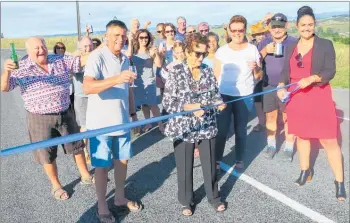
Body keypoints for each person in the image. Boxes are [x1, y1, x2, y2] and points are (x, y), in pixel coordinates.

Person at [1, 37, 94, 201]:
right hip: (39, 118)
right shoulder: (21, 67)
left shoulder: (59, 60)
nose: (41, 50)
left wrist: (102, 48)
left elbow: (80, 61)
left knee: (77, 146)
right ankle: (56, 185)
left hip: (66, 112)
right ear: (28, 52)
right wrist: (7, 71)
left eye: (42, 46)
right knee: (46, 154)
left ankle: (85, 174)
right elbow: (5, 88)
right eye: (36, 48)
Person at [277, 6, 346, 201]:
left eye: (310, 24)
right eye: (303, 25)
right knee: (303, 137)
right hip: (296, 98)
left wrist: (313, 77)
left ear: (315, 24)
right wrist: (282, 86)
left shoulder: (325, 44)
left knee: (329, 140)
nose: (307, 28)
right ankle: (305, 170)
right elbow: (285, 72)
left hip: (318, 97)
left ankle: (339, 181)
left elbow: (330, 70)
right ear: (296, 26)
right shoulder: (290, 45)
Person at [83, 20, 141, 223]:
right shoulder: (96, 57)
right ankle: (101, 205)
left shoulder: (125, 58)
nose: (120, 39)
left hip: (122, 121)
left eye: (123, 35)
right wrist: (116, 79)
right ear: (106, 36)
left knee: (122, 161)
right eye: (116, 35)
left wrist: (134, 116)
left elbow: (128, 90)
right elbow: (87, 87)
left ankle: (119, 197)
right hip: (100, 124)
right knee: (101, 166)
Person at [162, 33, 227, 216]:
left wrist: (218, 103)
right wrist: (189, 107)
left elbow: (215, 95)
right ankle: (186, 201)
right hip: (183, 127)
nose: (201, 58)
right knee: (184, 166)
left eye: (204, 54)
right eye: (197, 53)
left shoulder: (207, 70)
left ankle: (214, 197)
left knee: (210, 164)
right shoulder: (175, 71)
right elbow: (168, 103)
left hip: (206, 125)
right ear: (188, 51)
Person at [214, 15, 263, 172]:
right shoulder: (222, 51)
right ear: (229, 30)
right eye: (233, 30)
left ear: (245, 30)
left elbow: (259, 76)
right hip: (224, 95)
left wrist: (256, 67)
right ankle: (217, 158)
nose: (237, 33)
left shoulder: (252, 49)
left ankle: (239, 158)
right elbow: (215, 76)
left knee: (240, 129)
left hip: (245, 95)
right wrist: (214, 97)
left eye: (240, 30)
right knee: (221, 130)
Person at [258, 13, 297, 160]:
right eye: (274, 26)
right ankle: (271, 145)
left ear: (286, 26)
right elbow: (254, 62)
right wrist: (265, 51)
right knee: (271, 116)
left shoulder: (294, 42)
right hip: (268, 86)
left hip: (288, 87)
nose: (277, 29)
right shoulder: (264, 42)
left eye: (280, 26)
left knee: (288, 117)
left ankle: (288, 147)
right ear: (270, 27)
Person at [131, 29, 164, 133]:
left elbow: (158, 65)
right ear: (137, 39)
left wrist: (156, 54)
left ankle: (160, 125)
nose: (144, 40)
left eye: (146, 37)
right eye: (141, 37)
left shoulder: (151, 51)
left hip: (149, 82)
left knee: (153, 105)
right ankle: (148, 122)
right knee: (144, 104)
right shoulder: (133, 52)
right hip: (137, 83)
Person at [72, 36, 94, 164]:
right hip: (82, 97)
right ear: (80, 47)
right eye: (85, 46)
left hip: (96, 96)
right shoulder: (76, 59)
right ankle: (85, 152)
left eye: (90, 45)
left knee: (97, 125)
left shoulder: (95, 56)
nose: (88, 48)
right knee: (85, 127)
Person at [249, 22, 269, 133]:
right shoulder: (251, 46)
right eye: (258, 34)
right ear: (254, 36)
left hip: (268, 73)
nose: (260, 35)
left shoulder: (269, 42)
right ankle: (261, 122)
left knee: (270, 98)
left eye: (262, 33)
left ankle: (274, 121)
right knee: (258, 101)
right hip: (256, 76)